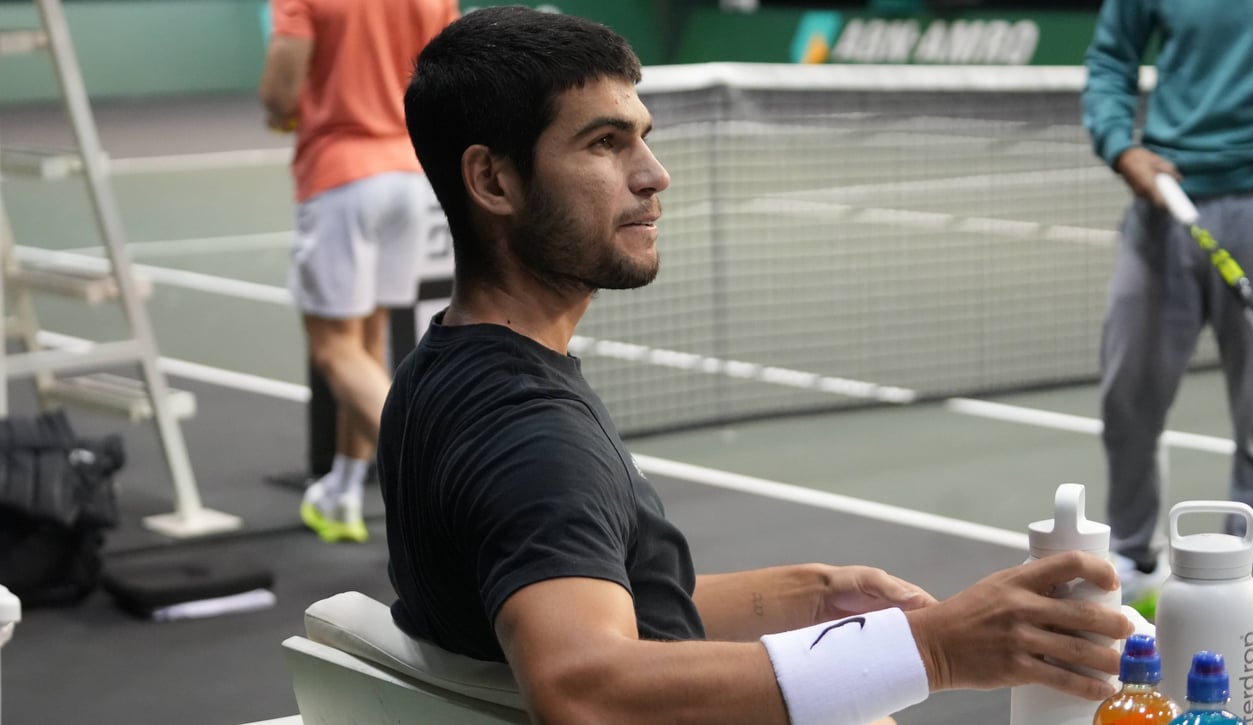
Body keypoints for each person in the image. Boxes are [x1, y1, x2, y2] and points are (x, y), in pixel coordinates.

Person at [380, 7, 1134, 724]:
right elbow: (586, 688)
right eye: (605, 143)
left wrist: (810, 591)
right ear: (494, 181)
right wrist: (934, 649)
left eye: (643, 138)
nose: (654, 174)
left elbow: (602, 598)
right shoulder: (531, 435)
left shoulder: (438, 372)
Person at [1081, 0, 1253, 610]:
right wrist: (1121, 147)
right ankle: (1134, 561)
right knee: (1128, 398)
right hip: (1163, 198)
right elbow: (1110, 59)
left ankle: (1247, 584)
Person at [258, 0, 458, 543]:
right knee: (367, 345)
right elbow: (448, 69)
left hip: (341, 178)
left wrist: (284, 110)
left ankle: (442, 478)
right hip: (412, 178)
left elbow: (280, 93)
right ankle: (342, 494)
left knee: (334, 348)